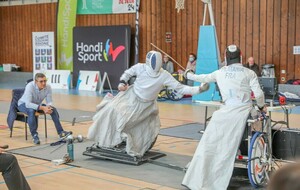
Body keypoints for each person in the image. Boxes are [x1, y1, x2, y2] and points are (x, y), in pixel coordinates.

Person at [87, 50, 209, 157]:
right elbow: (128, 73)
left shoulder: (164, 75)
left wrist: (199, 89)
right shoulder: (140, 67)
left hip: (147, 106)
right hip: (130, 97)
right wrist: (122, 82)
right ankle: (106, 139)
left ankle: (124, 140)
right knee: (111, 111)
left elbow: (181, 88)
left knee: (138, 126)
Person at [182, 45, 266, 190]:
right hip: (242, 112)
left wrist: (188, 74)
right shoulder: (249, 73)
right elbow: (259, 95)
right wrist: (260, 106)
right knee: (230, 143)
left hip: (223, 113)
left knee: (208, 143)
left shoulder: (220, 72)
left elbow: (201, 78)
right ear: (241, 57)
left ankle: (198, 177)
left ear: (226, 58)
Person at [18, 73, 70, 145]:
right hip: (23, 104)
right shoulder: (30, 86)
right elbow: (28, 104)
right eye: (41, 81)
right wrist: (42, 108)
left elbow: (49, 101)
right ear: (36, 82)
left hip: (36, 104)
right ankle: (34, 135)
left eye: (45, 81)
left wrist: (48, 107)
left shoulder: (48, 87)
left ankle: (61, 132)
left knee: (53, 109)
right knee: (31, 110)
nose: (44, 83)